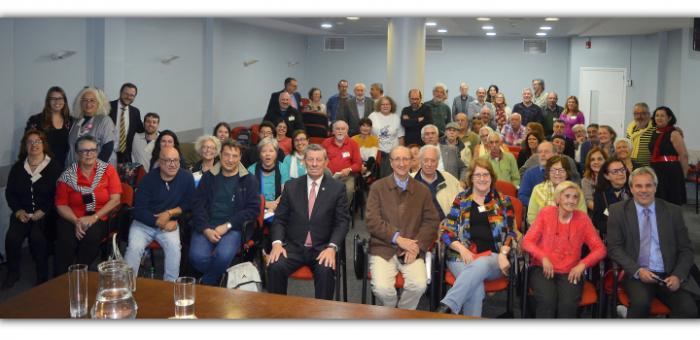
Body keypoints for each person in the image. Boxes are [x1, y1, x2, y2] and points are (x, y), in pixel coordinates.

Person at [606, 167, 697, 318]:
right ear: (631, 188)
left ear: (655, 187)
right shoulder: (618, 211)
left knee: (689, 310)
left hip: (669, 274)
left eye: (648, 185)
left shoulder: (672, 212)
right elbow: (614, 248)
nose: (644, 190)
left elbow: (686, 250)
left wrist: (678, 276)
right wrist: (637, 270)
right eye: (638, 186)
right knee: (640, 306)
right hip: (637, 274)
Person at [266, 144, 350, 300]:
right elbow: (280, 219)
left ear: (326, 163)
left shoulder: (337, 188)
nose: (314, 164)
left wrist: (332, 247)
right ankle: (276, 314)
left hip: (322, 248)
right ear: (303, 162)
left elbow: (342, 222)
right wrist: (277, 243)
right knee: (275, 265)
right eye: (310, 159)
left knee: (325, 270)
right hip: (294, 247)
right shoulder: (291, 186)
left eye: (319, 160)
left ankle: (322, 317)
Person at [436, 158, 517, 317]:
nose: (482, 179)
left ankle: (448, 305)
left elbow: (511, 232)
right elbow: (447, 230)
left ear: (492, 177)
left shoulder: (502, 201)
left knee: (483, 262)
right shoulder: (461, 199)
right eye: (478, 175)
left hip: (493, 258)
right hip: (461, 257)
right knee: (476, 290)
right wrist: (461, 249)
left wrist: (503, 253)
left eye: (486, 174)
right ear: (471, 177)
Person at [365, 146, 440, 310]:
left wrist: (417, 247)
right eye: (397, 159)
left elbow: (431, 221)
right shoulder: (377, 187)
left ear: (412, 162)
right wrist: (398, 239)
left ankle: (402, 314)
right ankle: (392, 310)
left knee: (419, 285)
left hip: (411, 250)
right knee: (382, 289)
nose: (402, 163)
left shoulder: (422, 190)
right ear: (391, 163)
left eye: (406, 159)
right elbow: (372, 221)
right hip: (383, 248)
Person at [522, 181, 606, 318]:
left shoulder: (583, 219)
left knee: (567, 304)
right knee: (547, 300)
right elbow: (527, 241)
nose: (571, 201)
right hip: (542, 268)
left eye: (575, 197)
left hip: (571, 271)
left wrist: (582, 265)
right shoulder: (546, 213)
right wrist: (543, 257)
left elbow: (600, 249)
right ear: (558, 198)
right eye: (567, 196)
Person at [189, 140, 260, 286]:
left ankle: (208, 283)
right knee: (196, 257)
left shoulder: (249, 179)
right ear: (220, 155)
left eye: (235, 156)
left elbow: (253, 210)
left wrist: (228, 225)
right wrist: (206, 229)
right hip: (207, 225)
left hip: (232, 228)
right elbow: (197, 205)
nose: (230, 160)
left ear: (240, 157)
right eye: (227, 155)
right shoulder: (209, 177)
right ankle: (222, 277)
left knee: (222, 256)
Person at [54, 135, 122, 277]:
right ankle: (60, 280)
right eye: (84, 151)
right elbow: (61, 204)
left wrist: (93, 218)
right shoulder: (67, 176)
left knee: (91, 235)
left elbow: (115, 199)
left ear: (97, 152)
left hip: (101, 216)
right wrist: (76, 221)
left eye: (92, 150)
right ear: (77, 153)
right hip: (73, 217)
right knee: (65, 241)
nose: (89, 154)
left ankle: (78, 274)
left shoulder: (108, 170)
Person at [124, 146, 194, 282]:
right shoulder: (148, 180)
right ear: (160, 162)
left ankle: (170, 286)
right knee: (134, 248)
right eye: (168, 161)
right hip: (144, 223)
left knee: (174, 249)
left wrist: (171, 214)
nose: (173, 164)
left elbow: (189, 204)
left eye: (176, 160)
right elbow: (138, 210)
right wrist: (157, 221)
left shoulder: (186, 177)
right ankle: (126, 286)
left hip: (169, 223)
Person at [3, 130, 62, 289]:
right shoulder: (18, 167)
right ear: (25, 146)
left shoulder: (54, 167)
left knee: (38, 240)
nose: (34, 145)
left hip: (45, 214)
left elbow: (58, 194)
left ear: (44, 145)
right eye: (30, 142)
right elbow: (10, 193)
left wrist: (43, 210)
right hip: (22, 214)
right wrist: (18, 211)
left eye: (38, 141)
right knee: (12, 239)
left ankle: (42, 276)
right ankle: (13, 274)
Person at [527, 155, 586, 224]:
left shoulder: (576, 190)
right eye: (553, 170)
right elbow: (532, 217)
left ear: (567, 173)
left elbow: (582, 217)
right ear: (548, 172)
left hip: (571, 231)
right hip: (543, 232)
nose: (557, 173)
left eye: (561, 170)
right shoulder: (538, 189)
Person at [66, 86, 117, 167]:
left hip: (95, 172)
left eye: (92, 100)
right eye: (84, 100)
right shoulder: (75, 121)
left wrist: (93, 170)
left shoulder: (105, 120)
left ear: (99, 103)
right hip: (74, 171)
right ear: (80, 103)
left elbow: (108, 148)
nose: (88, 103)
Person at [25, 86, 74, 166]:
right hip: (41, 167)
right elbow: (28, 145)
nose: (57, 101)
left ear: (64, 101)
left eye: (60, 98)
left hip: (64, 168)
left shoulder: (71, 121)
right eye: (53, 98)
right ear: (48, 101)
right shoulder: (36, 121)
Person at [649, 106, 689, 206]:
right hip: (656, 170)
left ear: (669, 118)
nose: (659, 118)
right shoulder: (654, 132)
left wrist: (683, 175)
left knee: (670, 202)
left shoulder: (674, 133)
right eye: (657, 115)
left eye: (662, 115)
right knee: (657, 201)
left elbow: (683, 155)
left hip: (671, 171)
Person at [412, 144, 463, 220]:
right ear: (420, 160)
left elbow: (463, 201)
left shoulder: (448, 178)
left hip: (447, 227)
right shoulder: (409, 181)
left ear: (438, 162)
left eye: (433, 161)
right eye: (426, 160)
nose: (429, 164)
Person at [321, 120, 362, 205]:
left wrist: (349, 169)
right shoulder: (326, 143)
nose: (340, 131)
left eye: (343, 129)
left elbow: (358, 165)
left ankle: (342, 213)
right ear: (333, 131)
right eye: (337, 129)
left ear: (346, 131)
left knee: (348, 190)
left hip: (346, 177)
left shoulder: (353, 144)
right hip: (328, 177)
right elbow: (320, 159)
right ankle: (328, 213)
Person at [248, 137, 290, 214]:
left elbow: (285, 193)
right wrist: (265, 204)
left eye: (271, 151)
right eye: (264, 151)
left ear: (276, 153)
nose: (268, 154)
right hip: (257, 207)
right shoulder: (251, 170)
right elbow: (249, 195)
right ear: (260, 154)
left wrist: (273, 207)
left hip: (278, 207)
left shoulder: (282, 167)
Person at [592, 157, 631, 235]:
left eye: (622, 169)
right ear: (607, 176)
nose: (621, 174)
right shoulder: (600, 194)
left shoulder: (633, 189)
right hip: (613, 237)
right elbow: (598, 222)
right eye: (615, 171)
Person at [368, 96, 404, 178]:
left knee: (391, 177)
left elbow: (401, 137)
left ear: (391, 106)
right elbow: (367, 133)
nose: (385, 106)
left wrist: (401, 152)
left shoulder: (396, 117)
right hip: (377, 152)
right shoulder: (372, 116)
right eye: (383, 104)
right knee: (377, 177)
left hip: (392, 153)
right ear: (379, 106)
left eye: (387, 104)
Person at [109, 83, 144, 164]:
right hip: (108, 154)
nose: (128, 97)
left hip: (125, 157)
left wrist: (158, 133)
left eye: (132, 95)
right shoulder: (108, 107)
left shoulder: (135, 112)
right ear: (120, 93)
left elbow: (141, 130)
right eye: (126, 94)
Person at [625, 103, 653, 168]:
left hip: (648, 167)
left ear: (649, 114)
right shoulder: (630, 127)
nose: (639, 116)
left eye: (643, 113)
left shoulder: (655, 128)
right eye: (636, 114)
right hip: (631, 166)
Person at [581, 147, 608, 211]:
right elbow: (588, 202)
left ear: (605, 161)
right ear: (589, 163)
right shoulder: (586, 180)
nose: (596, 162)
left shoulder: (612, 176)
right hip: (596, 214)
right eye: (592, 160)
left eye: (599, 159)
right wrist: (606, 213)